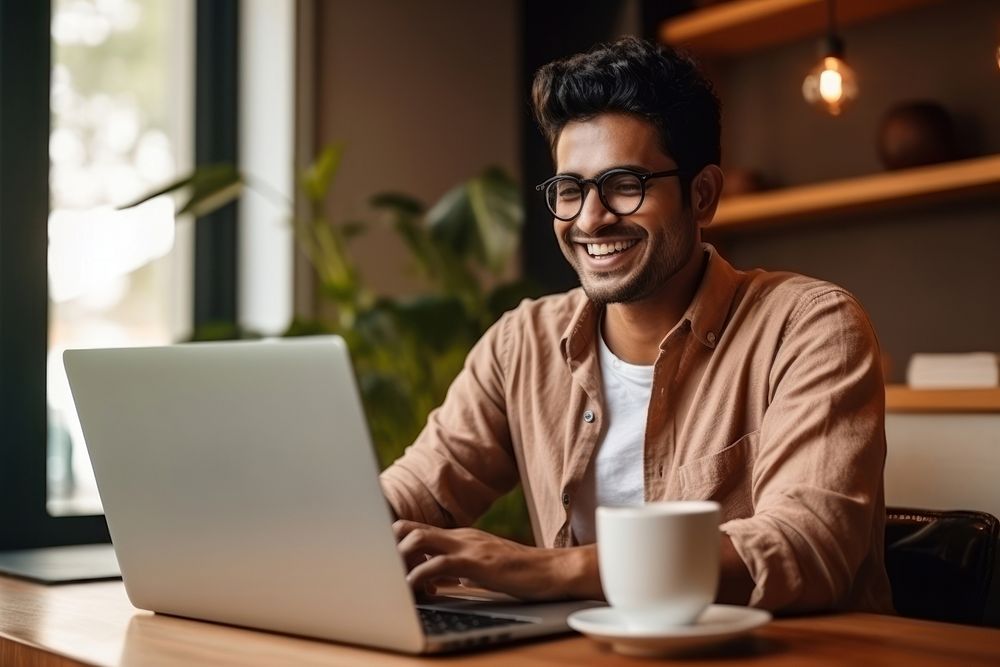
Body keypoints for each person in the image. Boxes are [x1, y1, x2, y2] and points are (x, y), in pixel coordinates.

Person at [382, 36, 893, 614]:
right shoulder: (521, 344)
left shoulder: (810, 328)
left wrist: (545, 569)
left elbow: (805, 549)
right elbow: (417, 493)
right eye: (570, 190)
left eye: (625, 185)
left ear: (701, 196)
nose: (591, 220)